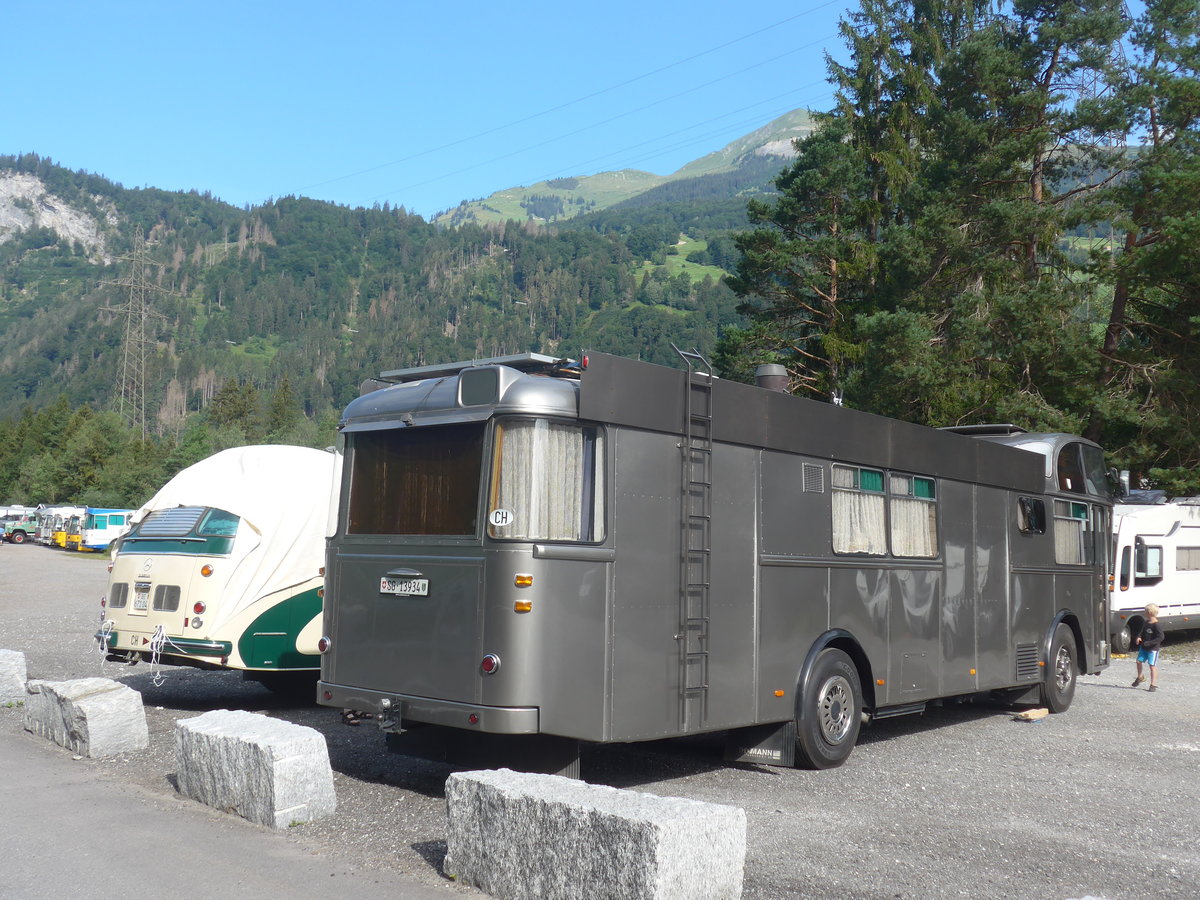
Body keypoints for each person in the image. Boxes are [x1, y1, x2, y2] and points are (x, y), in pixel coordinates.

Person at [1132, 603, 1164, 692]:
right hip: (1144, 647)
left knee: (1152, 666)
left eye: (1145, 611)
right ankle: (1140, 677)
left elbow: (1161, 637)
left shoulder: (1156, 625)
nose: (1144, 613)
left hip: (1152, 649)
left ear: (1149, 612)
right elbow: (1142, 632)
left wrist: (1150, 643)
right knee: (1138, 661)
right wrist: (1139, 636)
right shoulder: (1146, 622)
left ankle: (1153, 684)